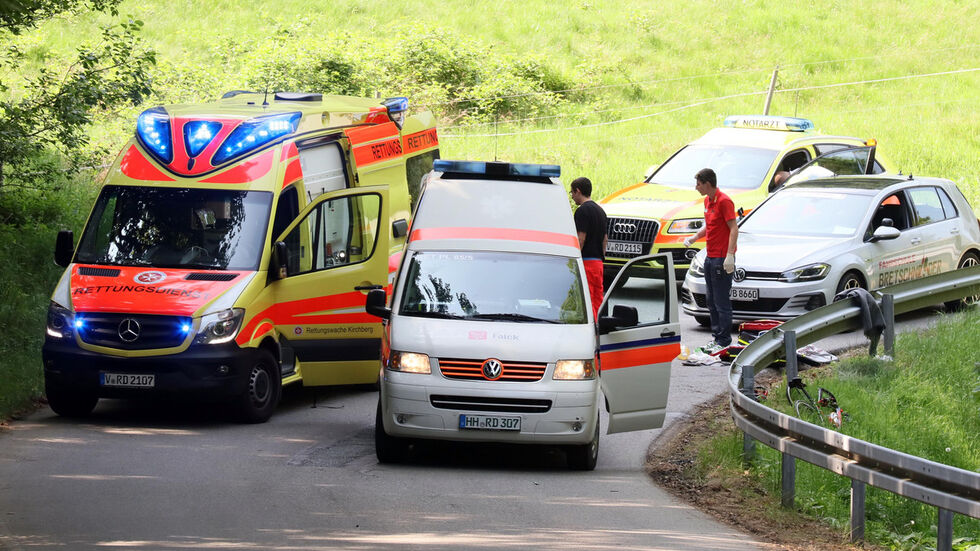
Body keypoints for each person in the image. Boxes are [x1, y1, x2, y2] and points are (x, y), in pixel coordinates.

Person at [683, 168, 738, 354]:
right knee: (711, 300)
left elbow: (733, 228)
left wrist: (730, 255)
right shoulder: (707, 201)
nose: (696, 187)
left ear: (707, 183)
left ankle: (724, 340)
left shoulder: (724, 201)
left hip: (722, 258)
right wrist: (694, 237)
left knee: (721, 301)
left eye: (698, 183)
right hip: (710, 255)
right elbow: (710, 225)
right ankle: (717, 338)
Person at [570, 177, 608, 320]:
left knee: (586, 299)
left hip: (586, 263)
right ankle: (599, 326)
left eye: (572, 193)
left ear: (578, 191)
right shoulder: (601, 211)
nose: (572, 197)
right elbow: (605, 239)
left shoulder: (582, 211)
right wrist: (601, 257)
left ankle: (590, 330)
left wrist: (575, 258)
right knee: (598, 299)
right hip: (598, 263)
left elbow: (581, 238)